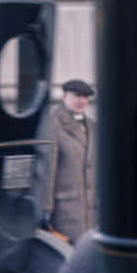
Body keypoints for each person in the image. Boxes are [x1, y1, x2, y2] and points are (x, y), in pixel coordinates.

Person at [40, 79, 97, 243]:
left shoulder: (93, 126)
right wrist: (46, 209)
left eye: (85, 96)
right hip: (66, 210)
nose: (81, 101)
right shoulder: (53, 124)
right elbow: (48, 170)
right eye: (76, 95)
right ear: (64, 96)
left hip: (90, 209)